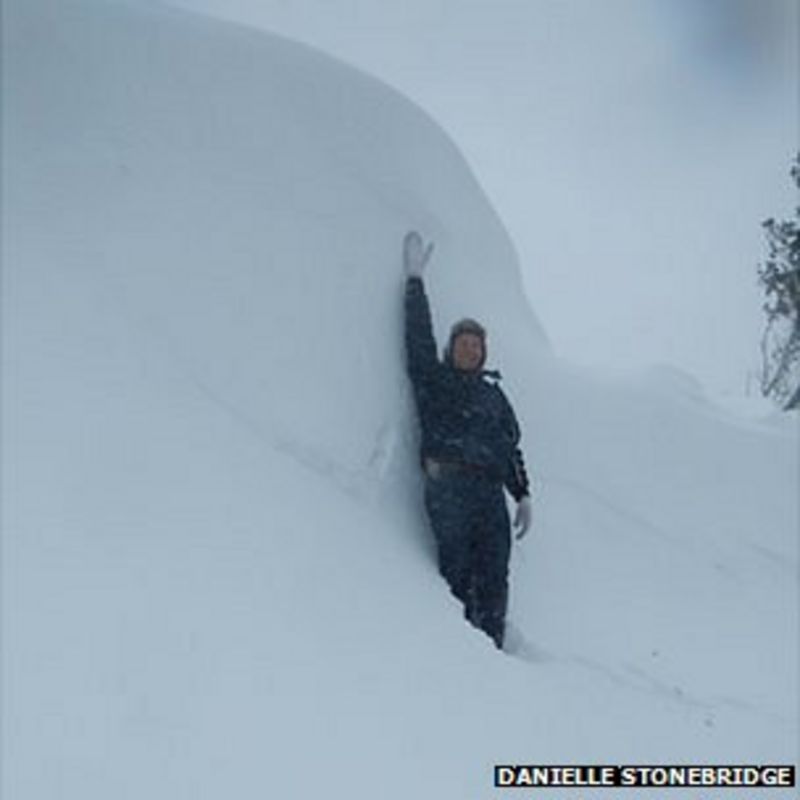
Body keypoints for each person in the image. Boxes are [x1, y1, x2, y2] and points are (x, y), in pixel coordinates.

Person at [402, 231, 532, 649]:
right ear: (451, 348)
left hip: (489, 494)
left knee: (495, 574)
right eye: (464, 343)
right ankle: (457, 656)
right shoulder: (436, 380)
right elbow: (418, 340)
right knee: (456, 569)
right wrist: (415, 283)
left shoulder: (494, 396)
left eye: (478, 345)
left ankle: (492, 650)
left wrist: (523, 493)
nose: (471, 350)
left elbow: (509, 447)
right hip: (449, 486)